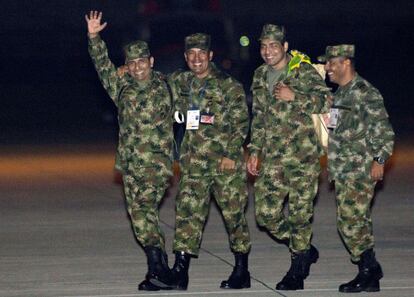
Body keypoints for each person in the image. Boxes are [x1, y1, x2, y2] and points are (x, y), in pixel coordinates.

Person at [85, 11, 173, 291]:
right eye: (132, 63)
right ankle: (159, 268)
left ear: (151, 62)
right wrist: (94, 36)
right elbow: (102, 66)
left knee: (144, 212)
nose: (137, 68)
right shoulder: (121, 88)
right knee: (139, 217)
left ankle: (158, 268)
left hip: (156, 167)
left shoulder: (167, 86)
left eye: (141, 62)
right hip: (131, 166)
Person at [247, 24, 331, 290]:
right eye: (263, 46)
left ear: (284, 47)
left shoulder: (302, 70)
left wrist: (294, 96)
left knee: (300, 215)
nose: (267, 51)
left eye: (273, 46)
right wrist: (254, 150)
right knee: (265, 215)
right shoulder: (260, 75)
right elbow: (258, 117)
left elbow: (327, 101)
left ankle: (297, 269)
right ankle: (303, 247)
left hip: (302, 157)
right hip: (272, 157)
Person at [167, 33, 251, 290]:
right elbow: (152, 82)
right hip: (194, 163)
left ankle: (241, 270)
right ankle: (180, 271)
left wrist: (230, 154)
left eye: (201, 54)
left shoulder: (228, 85)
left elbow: (241, 123)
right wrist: (127, 69)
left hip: (224, 164)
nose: (196, 59)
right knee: (186, 214)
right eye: (191, 54)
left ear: (210, 56)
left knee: (233, 215)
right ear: (185, 57)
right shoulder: (180, 81)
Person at [318, 44, 394, 293]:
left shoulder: (364, 92)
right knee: (351, 222)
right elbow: (336, 131)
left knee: (352, 222)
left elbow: (383, 131)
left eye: (331, 63)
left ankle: (368, 270)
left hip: (359, 170)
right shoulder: (341, 93)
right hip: (344, 170)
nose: (328, 68)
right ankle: (370, 272)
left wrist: (379, 161)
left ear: (345, 63)